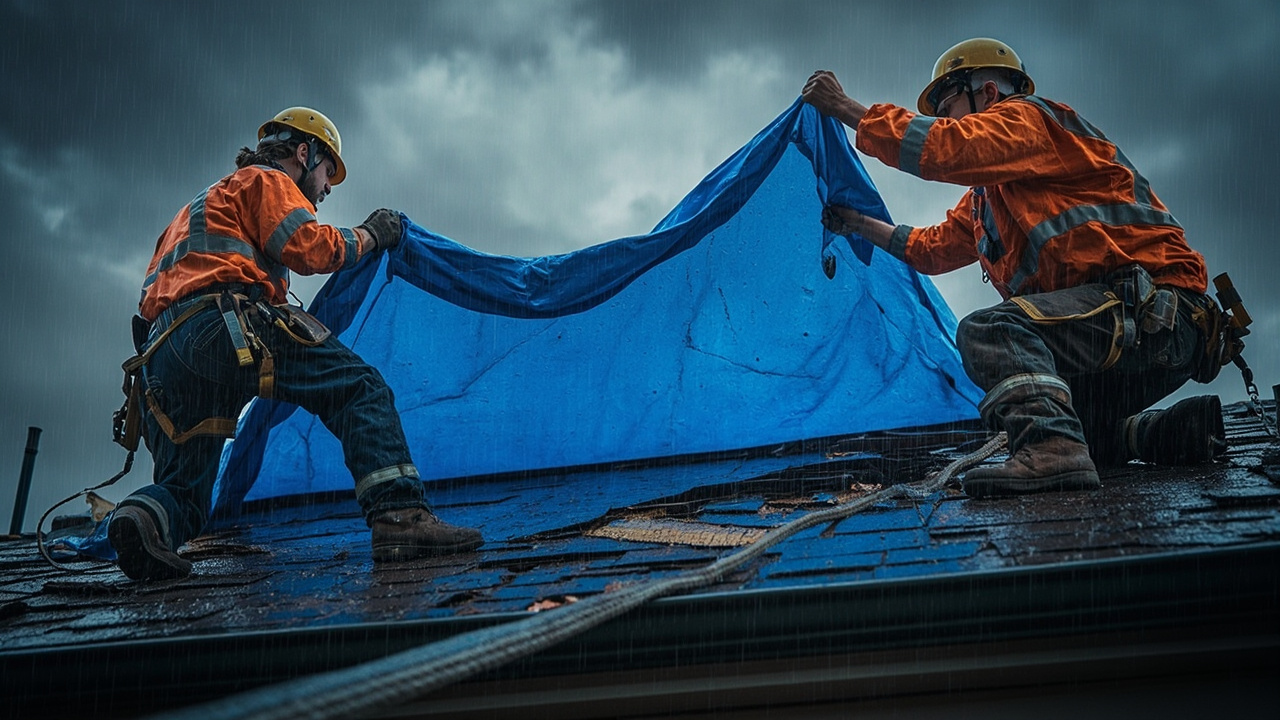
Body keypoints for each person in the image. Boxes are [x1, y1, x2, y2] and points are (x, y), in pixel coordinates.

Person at [801, 38, 1226, 497]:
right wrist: (857, 224)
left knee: (992, 332)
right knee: (1072, 425)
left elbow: (944, 149)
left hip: (1154, 314)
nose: (944, 118)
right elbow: (929, 249)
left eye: (948, 103)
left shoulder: (1029, 119)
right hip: (1124, 339)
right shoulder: (987, 202)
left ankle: (1052, 453)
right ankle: (1168, 432)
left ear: (986, 92)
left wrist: (844, 107)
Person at [108, 107, 483, 581]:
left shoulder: (191, 211)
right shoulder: (265, 181)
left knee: (185, 494)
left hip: (162, 358)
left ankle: (140, 520)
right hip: (225, 328)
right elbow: (311, 248)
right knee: (359, 388)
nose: (326, 189)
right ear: (304, 153)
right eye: (328, 173)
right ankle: (401, 520)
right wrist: (372, 234)